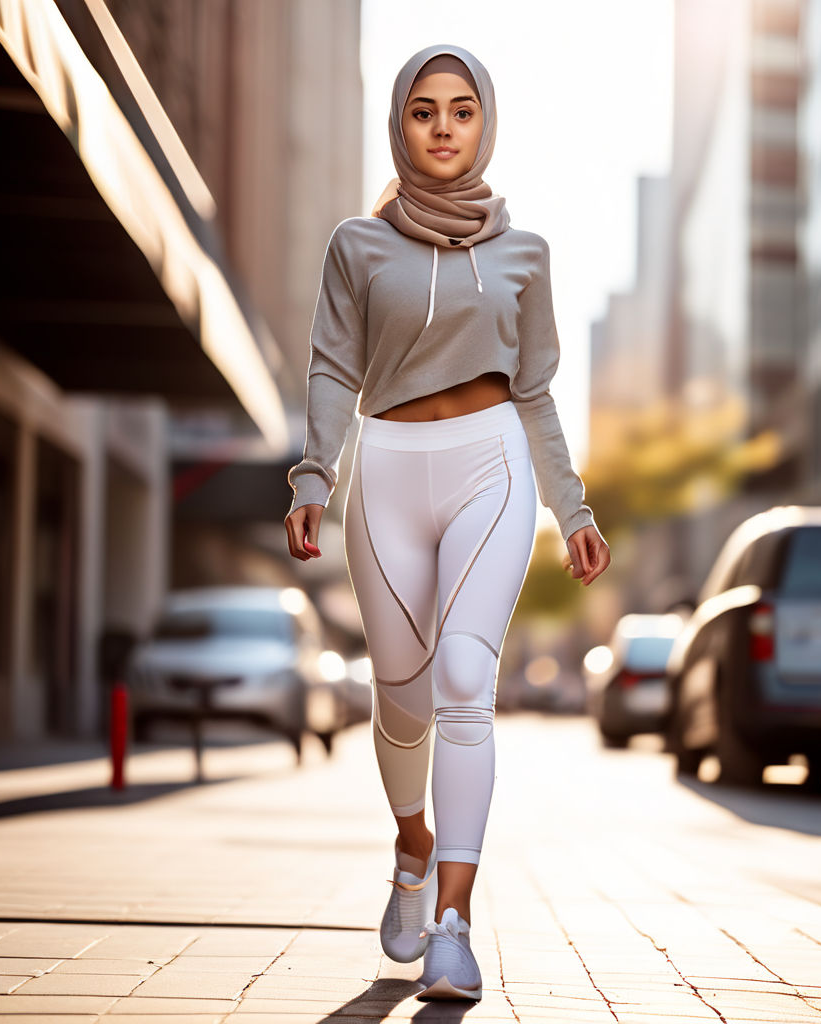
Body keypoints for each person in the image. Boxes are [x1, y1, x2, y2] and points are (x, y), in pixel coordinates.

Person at [285, 43, 610, 1002]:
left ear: (485, 124)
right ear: (402, 124)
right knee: (402, 694)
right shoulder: (358, 244)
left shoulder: (525, 254)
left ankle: (456, 927)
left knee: (467, 676)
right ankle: (412, 844)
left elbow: (539, 391)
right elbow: (333, 368)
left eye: (461, 111)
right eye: (424, 110)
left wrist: (572, 506)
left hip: (491, 466)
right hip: (384, 472)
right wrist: (314, 478)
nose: (442, 127)